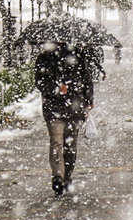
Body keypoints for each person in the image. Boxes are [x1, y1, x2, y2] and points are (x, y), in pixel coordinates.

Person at [34, 41, 95, 195]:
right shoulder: (44, 58)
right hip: (54, 109)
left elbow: (86, 79)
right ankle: (58, 176)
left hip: (73, 108)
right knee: (57, 142)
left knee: (70, 144)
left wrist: (88, 99)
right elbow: (40, 82)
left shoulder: (77, 55)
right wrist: (56, 89)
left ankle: (66, 176)